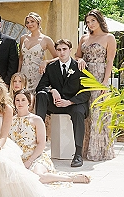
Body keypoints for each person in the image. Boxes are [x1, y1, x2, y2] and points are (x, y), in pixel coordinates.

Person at [10, 89, 91, 184]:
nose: (20, 103)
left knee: (38, 177)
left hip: (36, 157)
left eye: (23, 100)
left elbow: (41, 143)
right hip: (18, 158)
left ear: (29, 102)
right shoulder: (10, 120)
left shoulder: (36, 120)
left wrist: (30, 161)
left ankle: (69, 178)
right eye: (17, 100)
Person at [35, 39, 90, 167]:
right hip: (57, 103)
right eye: (58, 50)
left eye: (64, 49)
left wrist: (70, 102)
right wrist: (52, 90)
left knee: (78, 112)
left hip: (74, 104)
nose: (61, 52)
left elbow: (86, 91)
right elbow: (40, 87)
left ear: (70, 50)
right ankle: (38, 145)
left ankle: (77, 154)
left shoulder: (79, 66)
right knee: (42, 95)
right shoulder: (51, 67)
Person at [75, 9, 117, 162]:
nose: (90, 24)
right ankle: (84, 149)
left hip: (99, 76)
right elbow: (77, 55)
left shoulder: (109, 37)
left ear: (99, 20)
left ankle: (100, 151)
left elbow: (110, 61)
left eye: (93, 20)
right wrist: (79, 60)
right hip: (84, 76)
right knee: (86, 112)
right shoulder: (84, 38)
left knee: (99, 112)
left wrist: (104, 83)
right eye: (87, 22)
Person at [18, 12, 57, 92]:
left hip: (37, 74)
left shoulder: (46, 40)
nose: (29, 24)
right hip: (23, 75)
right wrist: (18, 73)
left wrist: (46, 62)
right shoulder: (23, 38)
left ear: (38, 22)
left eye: (32, 21)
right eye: (27, 22)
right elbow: (21, 59)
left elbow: (58, 57)